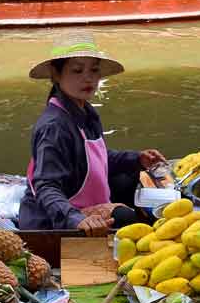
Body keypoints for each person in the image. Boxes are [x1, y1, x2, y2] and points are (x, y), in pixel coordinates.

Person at [19, 31, 166, 236]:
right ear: (56, 74)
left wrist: (137, 158)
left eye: (94, 70)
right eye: (77, 70)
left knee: (130, 177)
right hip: (53, 218)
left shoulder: (86, 112)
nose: (88, 78)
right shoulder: (54, 127)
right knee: (126, 218)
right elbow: (46, 187)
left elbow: (96, 159)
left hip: (79, 197)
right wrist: (77, 219)